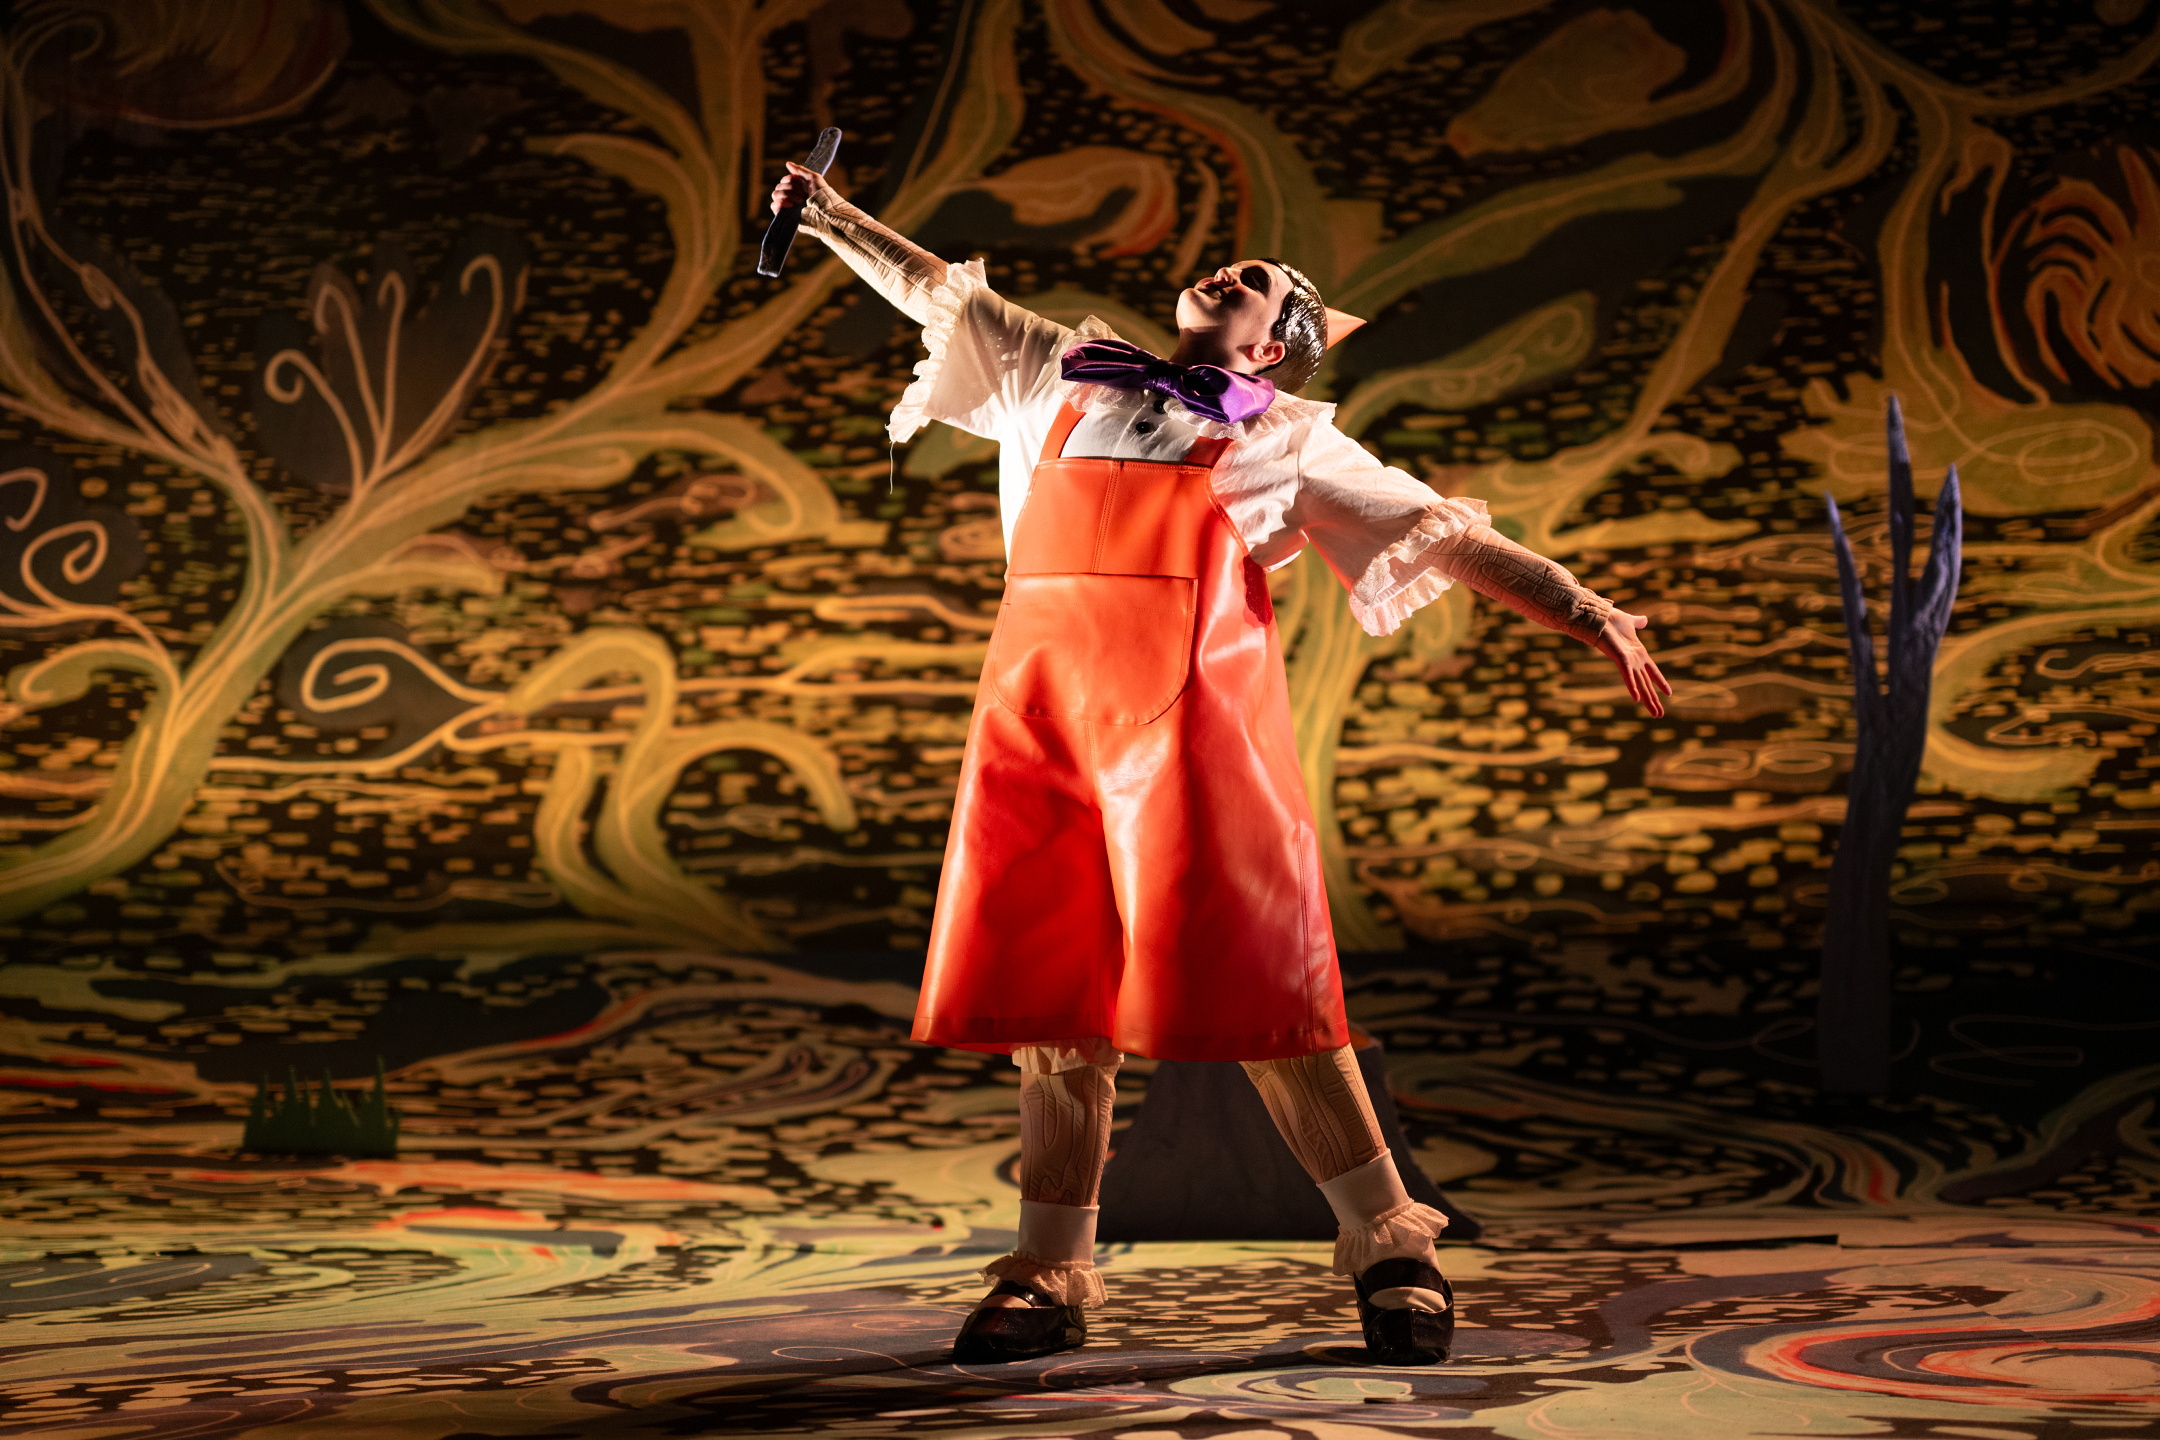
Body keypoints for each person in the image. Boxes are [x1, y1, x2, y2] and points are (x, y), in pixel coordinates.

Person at [768, 160, 1671, 1366]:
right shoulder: (1060, 372)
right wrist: (828, 216)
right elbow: (936, 289)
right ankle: (1048, 1270)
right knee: (1054, 999)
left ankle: (1392, 1245)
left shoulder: (1288, 440)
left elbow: (1443, 535)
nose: (1225, 269)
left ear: (1276, 344)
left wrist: (1586, 609)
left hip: (1191, 733)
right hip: (1041, 724)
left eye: (1255, 278)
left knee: (1265, 992)